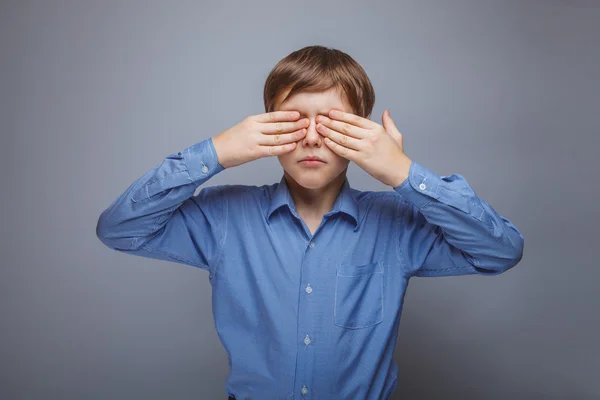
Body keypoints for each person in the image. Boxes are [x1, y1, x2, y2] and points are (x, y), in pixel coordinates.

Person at [96, 45, 524, 399]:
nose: (314, 137)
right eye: (295, 120)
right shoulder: (223, 217)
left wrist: (403, 173)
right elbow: (119, 228)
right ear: (265, 124)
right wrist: (216, 152)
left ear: (363, 131)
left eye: (335, 123)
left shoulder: (397, 225)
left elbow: (501, 250)